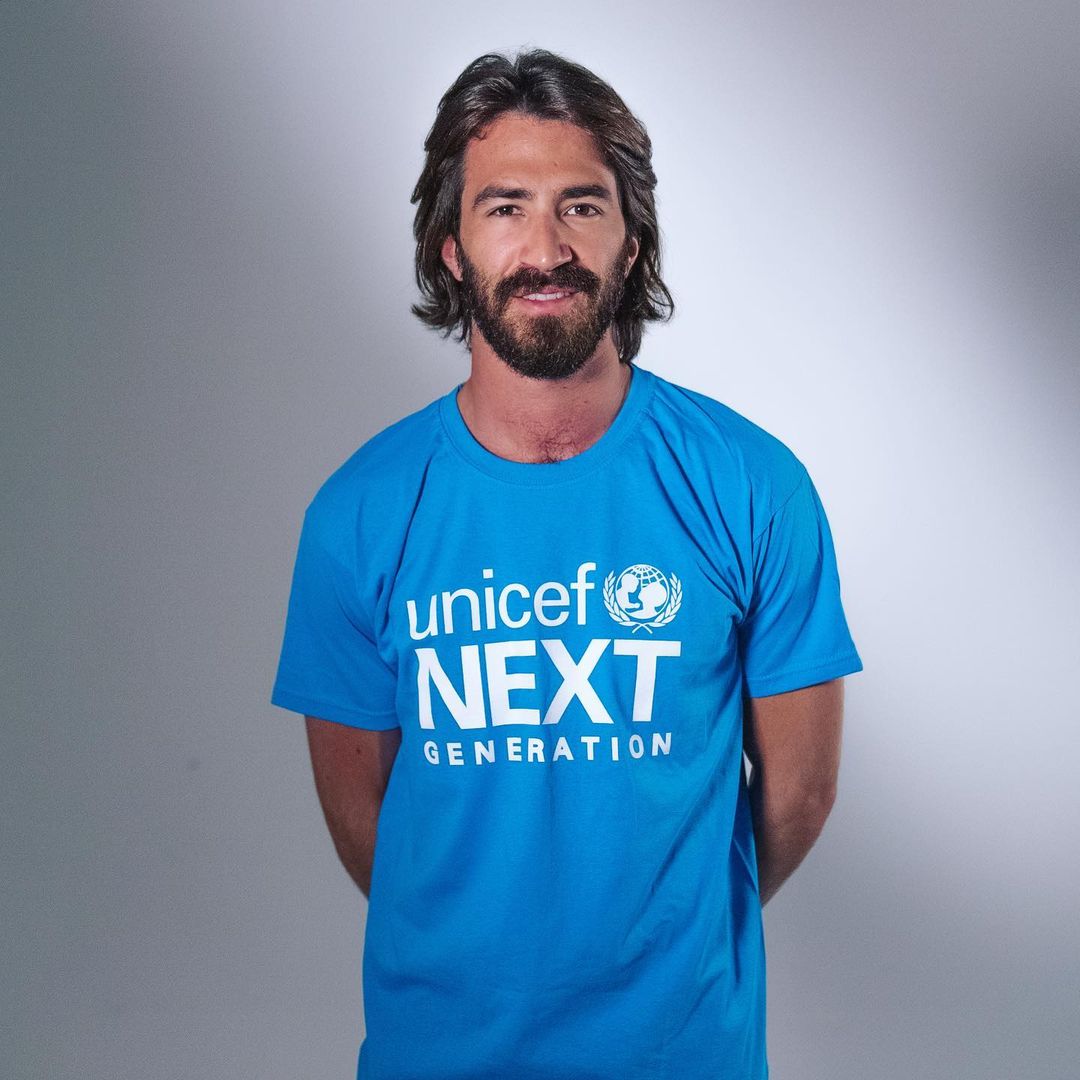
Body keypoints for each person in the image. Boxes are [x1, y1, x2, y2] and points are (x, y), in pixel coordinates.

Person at [271, 46, 863, 1080]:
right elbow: (366, 820)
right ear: (451, 249)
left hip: (682, 1057)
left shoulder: (752, 486)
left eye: (581, 206)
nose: (545, 249)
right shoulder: (360, 513)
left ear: (631, 242)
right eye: (504, 208)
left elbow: (800, 795)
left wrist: (668, 934)